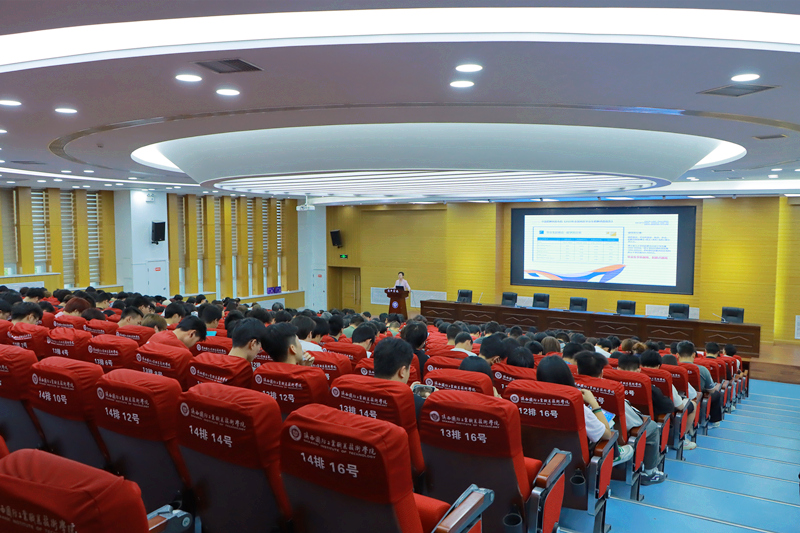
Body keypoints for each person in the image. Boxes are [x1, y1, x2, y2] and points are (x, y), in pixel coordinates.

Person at [575, 351, 665, 485]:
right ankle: (650, 472)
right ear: (601, 373)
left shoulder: (569, 387)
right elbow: (636, 422)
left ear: (577, 370)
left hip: (579, 442)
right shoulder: (612, 390)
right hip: (609, 437)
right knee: (651, 426)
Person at [537, 356, 634, 466]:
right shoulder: (576, 407)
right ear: (567, 377)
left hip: (540, 458)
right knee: (611, 430)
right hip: (574, 464)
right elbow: (607, 434)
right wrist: (594, 403)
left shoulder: (528, 402)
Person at [640, 350, 697, 451]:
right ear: (659, 365)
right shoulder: (665, 378)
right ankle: (682, 438)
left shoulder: (636, 377)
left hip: (640, 414)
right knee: (693, 404)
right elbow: (680, 406)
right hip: (661, 412)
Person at [678, 341, 723, 429]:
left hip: (679, 398)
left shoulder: (673, 368)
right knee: (716, 394)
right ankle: (714, 422)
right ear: (694, 355)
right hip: (697, 397)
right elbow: (711, 390)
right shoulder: (702, 370)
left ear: (677, 355)